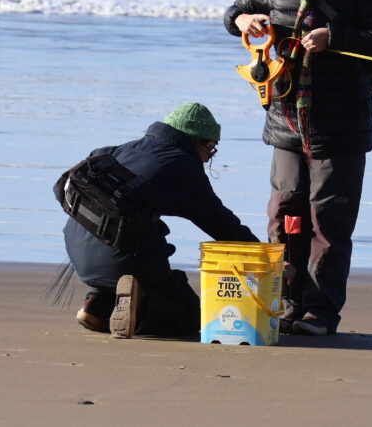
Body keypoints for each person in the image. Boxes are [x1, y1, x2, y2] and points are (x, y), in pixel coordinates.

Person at [223, 0, 372, 335]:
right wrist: (244, 19)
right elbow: (233, 15)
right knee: (285, 216)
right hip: (285, 123)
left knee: (328, 223)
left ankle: (320, 313)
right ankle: (286, 304)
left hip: (340, 127)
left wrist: (335, 37)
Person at [63, 102, 259, 338]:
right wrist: (268, 257)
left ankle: (95, 304)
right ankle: (140, 305)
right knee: (189, 317)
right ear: (196, 141)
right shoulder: (181, 166)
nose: (208, 159)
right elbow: (222, 224)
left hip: (77, 253)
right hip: (124, 260)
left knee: (137, 227)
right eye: (211, 148)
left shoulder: (118, 150)